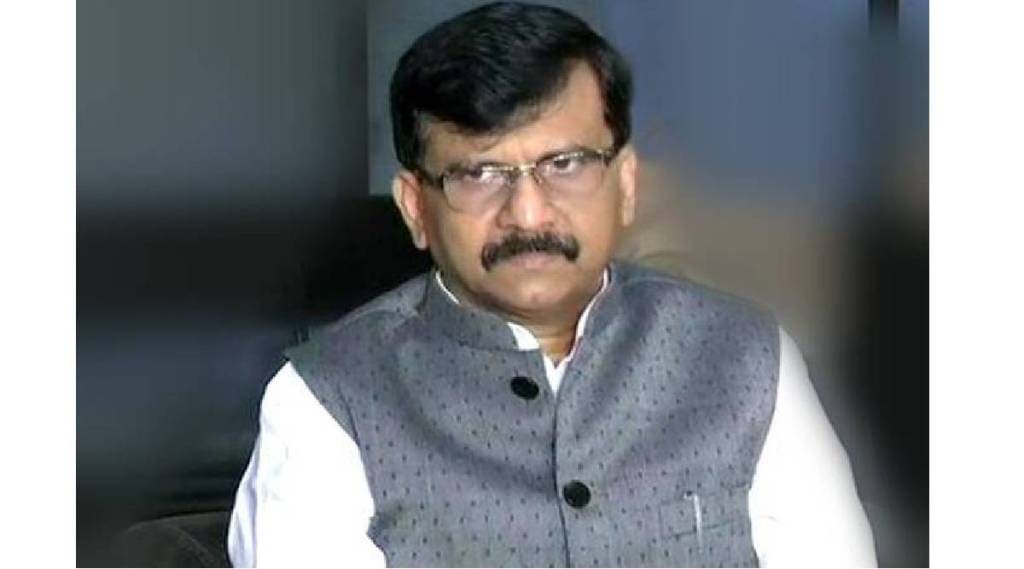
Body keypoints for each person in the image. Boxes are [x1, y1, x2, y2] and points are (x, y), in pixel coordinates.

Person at [227, 2, 876, 566]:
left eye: (565, 164)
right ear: (416, 207)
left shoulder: (746, 358)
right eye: (479, 174)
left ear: (625, 184)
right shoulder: (325, 401)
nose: (528, 214)